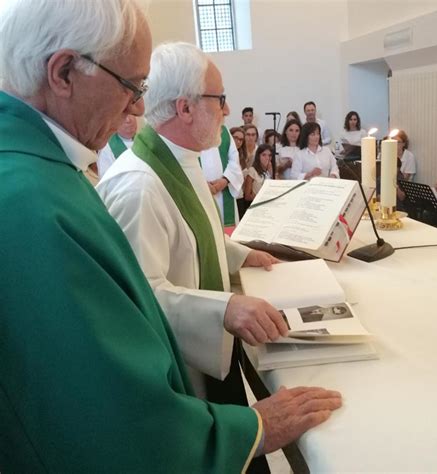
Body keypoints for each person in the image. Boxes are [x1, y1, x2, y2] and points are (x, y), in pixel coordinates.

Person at [0, 3, 342, 473]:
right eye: (131, 86)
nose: (138, 107)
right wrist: (248, 429)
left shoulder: (57, 170)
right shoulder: (36, 200)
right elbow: (114, 408)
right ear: (63, 72)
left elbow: (183, 238)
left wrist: (240, 254)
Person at [200, 125, 243, 228]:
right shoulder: (187, 128)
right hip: (199, 192)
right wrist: (200, 184)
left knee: (226, 240)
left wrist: (225, 180)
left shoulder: (224, 131)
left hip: (224, 191)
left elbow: (234, 161)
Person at [230, 126, 251, 218]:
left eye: (241, 140)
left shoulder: (242, 157)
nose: (238, 141)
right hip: (229, 196)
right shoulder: (224, 155)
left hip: (239, 196)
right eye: (235, 138)